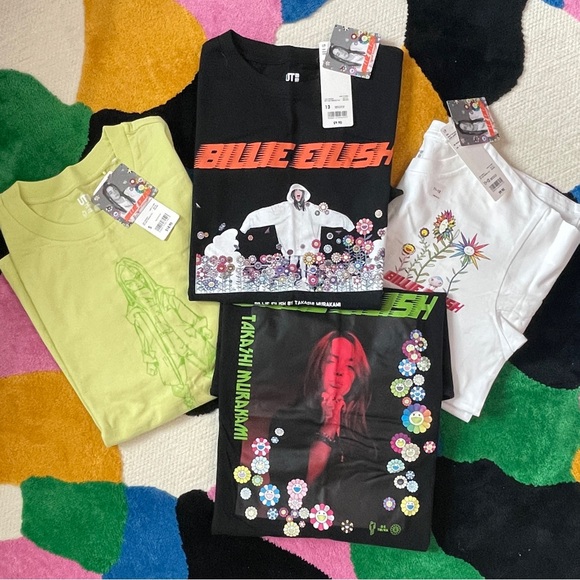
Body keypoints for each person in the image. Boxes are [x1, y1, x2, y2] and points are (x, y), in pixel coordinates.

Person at [267, 330, 375, 509]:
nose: (339, 372)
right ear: (318, 366)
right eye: (332, 361)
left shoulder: (367, 427)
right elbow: (295, 488)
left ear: (358, 377)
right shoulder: (287, 419)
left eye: (349, 366)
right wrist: (329, 428)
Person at [239, 183, 355, 283]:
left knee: (308, 265)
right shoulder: (285, 208)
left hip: (309, 248)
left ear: (304, 193)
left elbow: (329, 216)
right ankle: (291, 280)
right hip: (291, 248)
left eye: (300, 191)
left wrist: (347, 223)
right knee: (292, 264)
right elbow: (266, 214)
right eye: (296, 191)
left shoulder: (311, 209)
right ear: (292, 194)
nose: (298, 193)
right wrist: (248, 223)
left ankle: (308, 281)